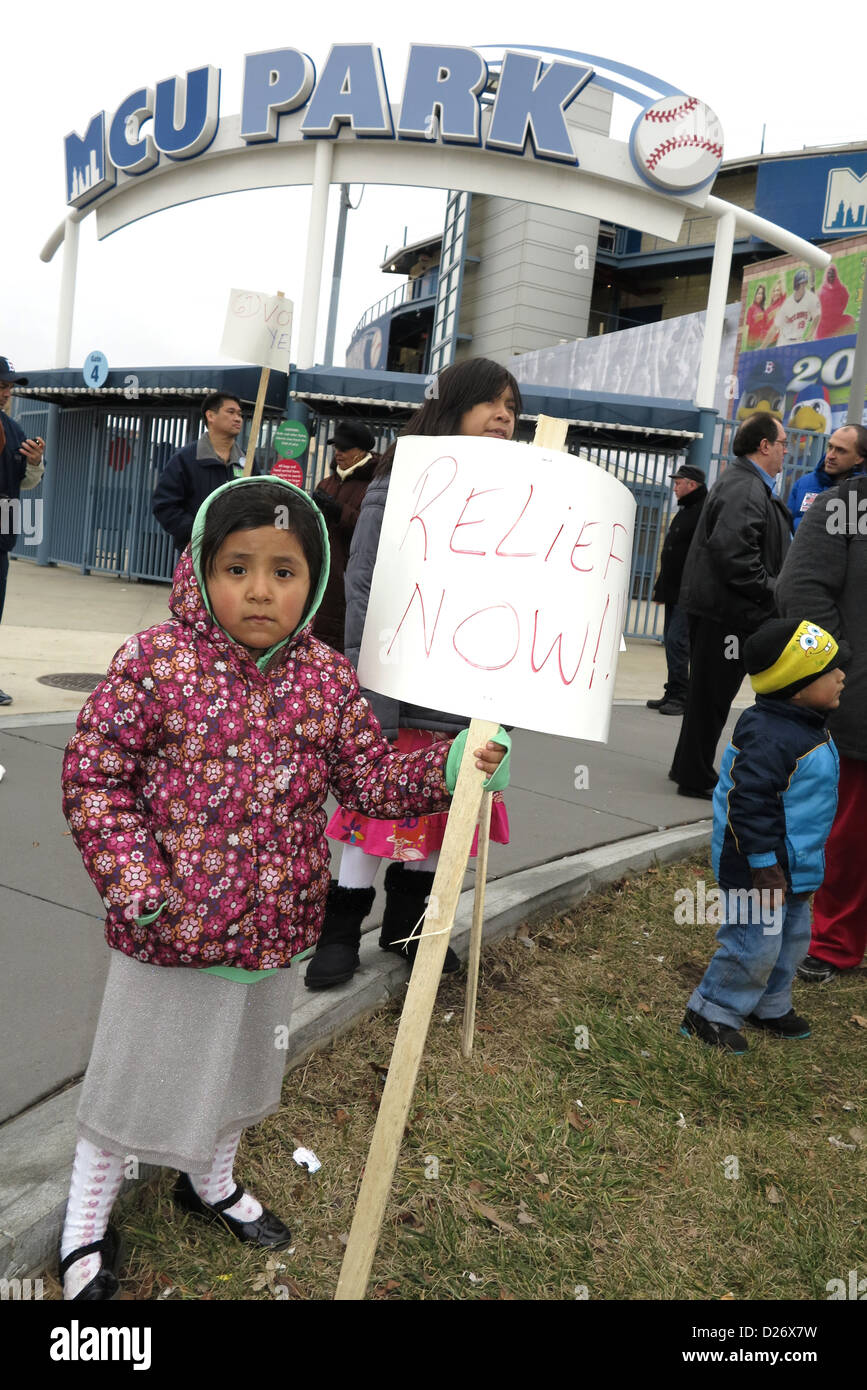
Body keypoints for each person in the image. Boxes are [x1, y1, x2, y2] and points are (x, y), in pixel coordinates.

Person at [58, 474, 508, 1299]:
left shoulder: (326, 680)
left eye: (284, 570)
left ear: (315, 580)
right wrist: (138, 882)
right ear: (200, 569)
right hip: (167, 930)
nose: (260, 589)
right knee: (134, 1073)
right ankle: (84, 1225)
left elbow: (368, 783)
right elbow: (97, 778)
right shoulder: (154, 663)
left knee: (239, 1068)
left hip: (272, 930)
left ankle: (211, 1181)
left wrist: (448, 767)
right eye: (237, 567)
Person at [305, 356, 521, 990]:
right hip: (397, 683)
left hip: (467, 687)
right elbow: (364, 581)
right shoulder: (398, 478)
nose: (505, 415)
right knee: (371, 819)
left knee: (438, 815)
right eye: (491, 401)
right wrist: (366, 677)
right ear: (452, 405)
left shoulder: (519, 491)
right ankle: (340, 932)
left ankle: (407, 928)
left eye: (512, 405)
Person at [681, 618, 844, 1052]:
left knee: (790, 941)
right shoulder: (770, 735)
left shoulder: (806, 723)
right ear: (798, 685)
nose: (842, 676)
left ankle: (767, 1003)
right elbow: (750, 802)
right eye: (830, 671)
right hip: (758, 868)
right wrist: (763, 866)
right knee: (752, 944)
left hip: (793, 866)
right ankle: (709, 1011)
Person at [775, 461, 867, 982]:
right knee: (848, 835)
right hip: (857, 701)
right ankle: (833, 940)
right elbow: (800, 591)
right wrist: (844, 664)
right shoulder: (844, 506)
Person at [670, 414, 793, 799]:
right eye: (784, 442)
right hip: (728, 615)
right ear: (765, 445)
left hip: (729, 612)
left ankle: (690, 769)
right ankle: (693, 777)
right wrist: (772, 591)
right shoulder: (745, 486)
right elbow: (735, 553)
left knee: (710, 697)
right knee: (710, 699)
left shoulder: (747, 482)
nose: (787, 450)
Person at [152, 391, 256, 551]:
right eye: (231, 412)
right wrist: (200, 533)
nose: (238, 418)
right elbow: (164, 505)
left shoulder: (247, 462)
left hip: (239, 553)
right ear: (210, 416)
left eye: (240, 414)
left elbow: (260, 503)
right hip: (198, 552)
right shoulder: (185, 459)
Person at [310, 421, 380, 653]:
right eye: (336, 447)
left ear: (362, 451)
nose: (338, 452)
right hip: (322, 577)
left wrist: (340, 511)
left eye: (346, 448)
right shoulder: (326, 484)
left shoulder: (374, 485)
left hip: (350, 578)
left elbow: (374, 529)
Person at [0, 356, 45, 706]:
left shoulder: (13, 429)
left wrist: (34, 463)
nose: (6, 393)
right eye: (1, 386)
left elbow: (25, 483)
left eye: (9, 387)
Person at [647, 464, 707, 716]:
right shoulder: (686, 510)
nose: (675, 487)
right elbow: (673, 554)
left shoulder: (702, 511)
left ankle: (681, 696)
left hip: (689, 590)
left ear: (691, 484)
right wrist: (662, 590)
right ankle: (672, 692)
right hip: (675, 590)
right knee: (673, 641)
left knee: (677, 641)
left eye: (678, 482)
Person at [786, 424, 866, 531]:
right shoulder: (803, 483)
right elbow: (786, 528)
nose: (830, 456)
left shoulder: (862, 494)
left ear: (859, 458)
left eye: (841, 450)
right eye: (830, 447)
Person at [763, 269, 820, 348]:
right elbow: (774, 327)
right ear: (796, 285)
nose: (802, 286)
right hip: (784, 342)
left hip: (798, 341)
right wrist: (762, 348)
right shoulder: (788, 303)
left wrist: (809, 335)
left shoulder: (811, 298)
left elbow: (817, 316)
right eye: (800, 283)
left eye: (804, 283)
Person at [744, 284, 771, 350]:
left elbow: (765, 326)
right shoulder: (751, 308)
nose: (760, 296)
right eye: (758, 293)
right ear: (755, 295)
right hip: (752, 342)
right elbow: (748, 324)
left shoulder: (763, 310)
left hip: (762, 341)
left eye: (762, 294)